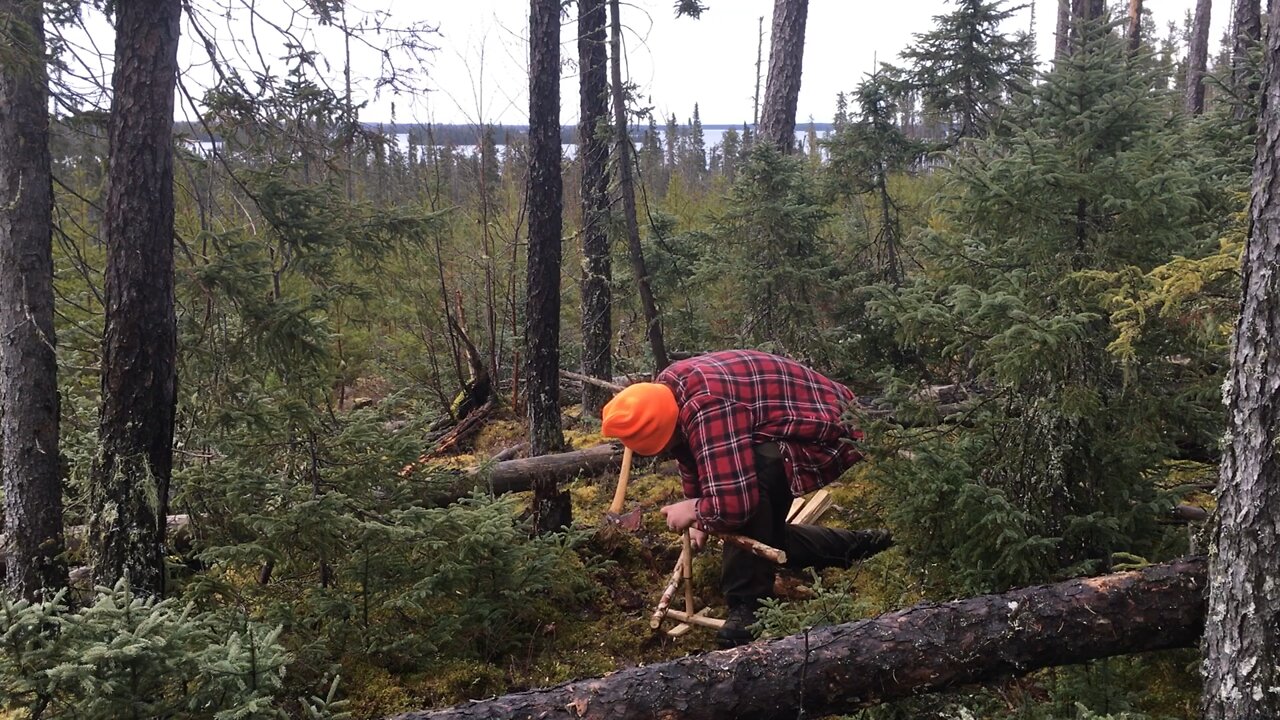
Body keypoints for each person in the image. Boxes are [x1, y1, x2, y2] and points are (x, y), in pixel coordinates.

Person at [601, 349, 892, 648]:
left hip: (833, 432)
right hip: (791, 427)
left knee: (745, 485)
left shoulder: (707, 407)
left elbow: (733, 504)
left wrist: (697, 509)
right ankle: (856, 545)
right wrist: (701, 514)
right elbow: (689, 452)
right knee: (768, 538)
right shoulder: (666, 392)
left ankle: (749, 607)